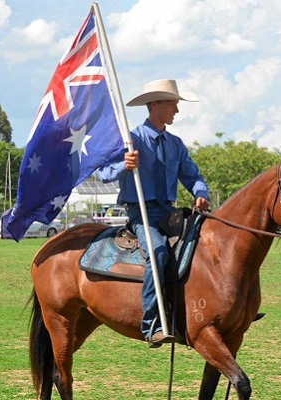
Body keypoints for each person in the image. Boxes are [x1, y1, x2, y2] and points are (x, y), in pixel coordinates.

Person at [97, 79, 210, 348]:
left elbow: (193, 176)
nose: (177, 111)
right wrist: (123, 165)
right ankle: (152, 324)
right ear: (155, 104)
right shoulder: (130, 139)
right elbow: (103, 172)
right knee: (158, 253)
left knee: (209, 245)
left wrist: (200, 191)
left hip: (168, 213)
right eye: (173, 104)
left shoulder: (176, 144)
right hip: (141, 213)